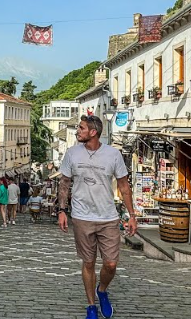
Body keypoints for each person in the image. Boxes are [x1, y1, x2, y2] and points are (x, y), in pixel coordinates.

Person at [57, 115, 137, 319]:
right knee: (89, 262)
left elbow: (124, 186)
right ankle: (91, 305)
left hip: (108, 217)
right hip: (82, 217)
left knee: (111, 264)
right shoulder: (72, 153)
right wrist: (62, 210)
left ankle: (102, 291)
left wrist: (132, 215)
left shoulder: (113, 154)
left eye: (81, 128)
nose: (78, 131)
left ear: (93, 132)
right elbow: (65, 183)